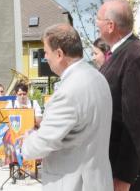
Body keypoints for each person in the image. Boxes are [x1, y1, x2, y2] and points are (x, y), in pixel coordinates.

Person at [20, 24, 113, 191]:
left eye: (46, 52)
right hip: (98, 181)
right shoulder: (98, 77)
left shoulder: (68, 91)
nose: (45, 57)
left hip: (73, 184)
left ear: (59, 54)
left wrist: (26, 141)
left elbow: (42, 144)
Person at [96, 0, 140, 191]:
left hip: (129, 174)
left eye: (99, 19)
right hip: (115, 165)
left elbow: (138, 123)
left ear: (110, 26)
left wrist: (125, 177)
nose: (96, 24)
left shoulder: (135, 58)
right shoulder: (121, 53)